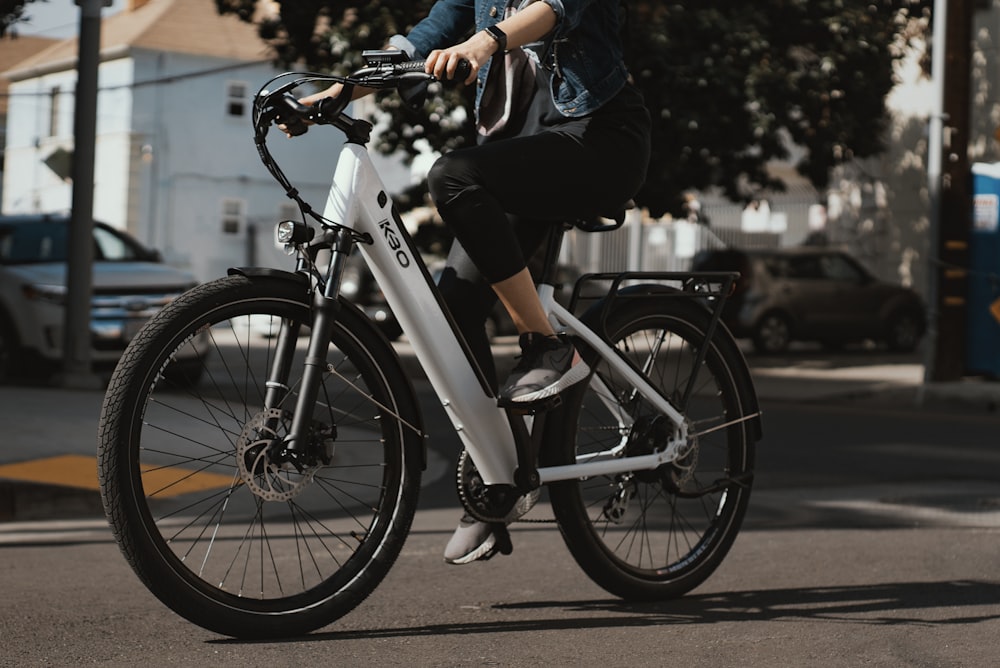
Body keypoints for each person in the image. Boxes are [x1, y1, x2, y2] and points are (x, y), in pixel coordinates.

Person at [301, 0, 652, 564]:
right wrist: (341, 91)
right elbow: (422, 39)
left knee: (453, 175)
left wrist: (483, 43)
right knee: (451, 310)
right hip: (520, 153)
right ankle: (502, 482)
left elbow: (555, 10)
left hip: (599, 139)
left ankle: (546, 344)